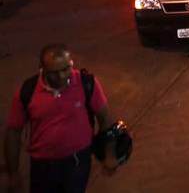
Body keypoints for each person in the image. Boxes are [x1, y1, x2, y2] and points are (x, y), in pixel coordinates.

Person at [5, 44, 120, 192]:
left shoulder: (86, 83)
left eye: (66, 69)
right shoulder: (28, 90)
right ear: (42, 68)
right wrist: (13, 173)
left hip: (77, 161)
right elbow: (13, 132)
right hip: (42, 165)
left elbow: (105, 119)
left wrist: (110, 154)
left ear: (71, 63)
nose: (61, 76)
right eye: (54, 72)